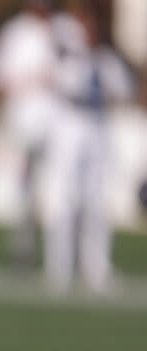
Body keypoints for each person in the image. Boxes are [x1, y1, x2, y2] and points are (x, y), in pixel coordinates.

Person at [37, 0, 135, 294]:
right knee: (64, 196)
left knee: (96, 199)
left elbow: (124, 89)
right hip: (70, 122)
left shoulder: (106, 59)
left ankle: (97, 268)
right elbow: (67, 83)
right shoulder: (70, 54)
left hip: (97, 125)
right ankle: (59, 268)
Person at [0, 0, 62, 269]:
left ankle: (61, 255)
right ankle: (24, 249)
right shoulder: (15, 31)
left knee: (58, 189)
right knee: (25, 189)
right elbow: (0, 79)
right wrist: (30, 80)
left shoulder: (63, 29)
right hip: (24, 122)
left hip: (60, 124)